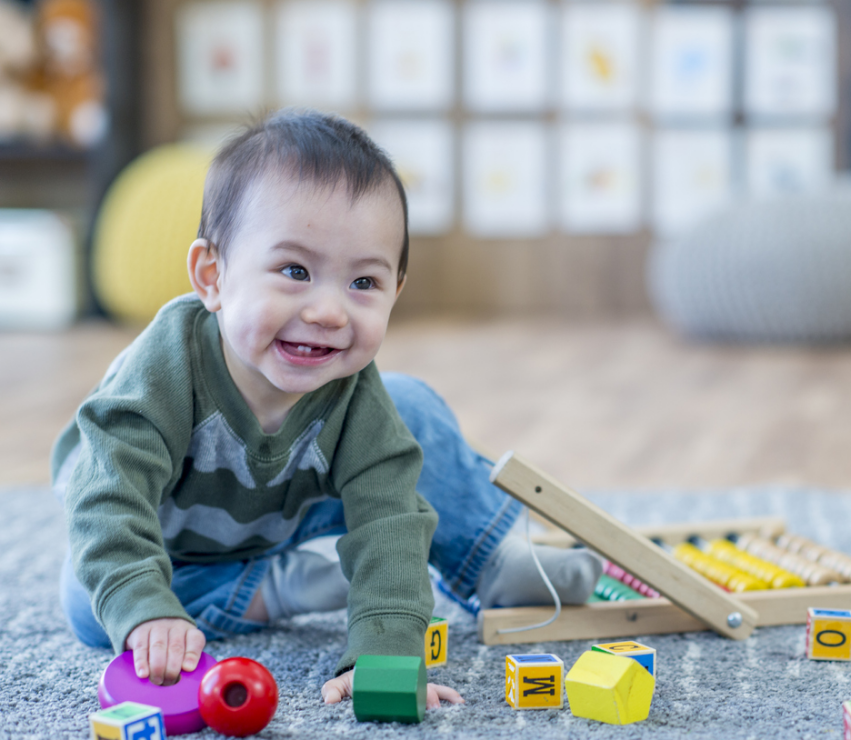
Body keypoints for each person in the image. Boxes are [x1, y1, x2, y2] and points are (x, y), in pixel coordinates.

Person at [52, 109, 602, 709]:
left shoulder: (352, 390)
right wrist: (145, 610)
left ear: (396, 290)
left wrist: (385, 649)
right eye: (295, 271)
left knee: (410, 404)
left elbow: (390, 518)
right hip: (173, 540)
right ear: (212, 275)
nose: (329, 313)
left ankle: (484, 558)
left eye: (363, 283)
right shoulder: (164, 369)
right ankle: (270, 589)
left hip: (292, 505)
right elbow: (107, 499)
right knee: (92, 602)